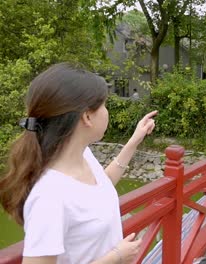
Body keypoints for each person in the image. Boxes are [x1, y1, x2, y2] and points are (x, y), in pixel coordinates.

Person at [0, 63, 158, 264]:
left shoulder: (84, 156)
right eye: (104, 105)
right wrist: (116, 257)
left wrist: (135, 140)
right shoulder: (49, 197)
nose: (107, 111)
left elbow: (101, 185)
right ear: (87, 116)